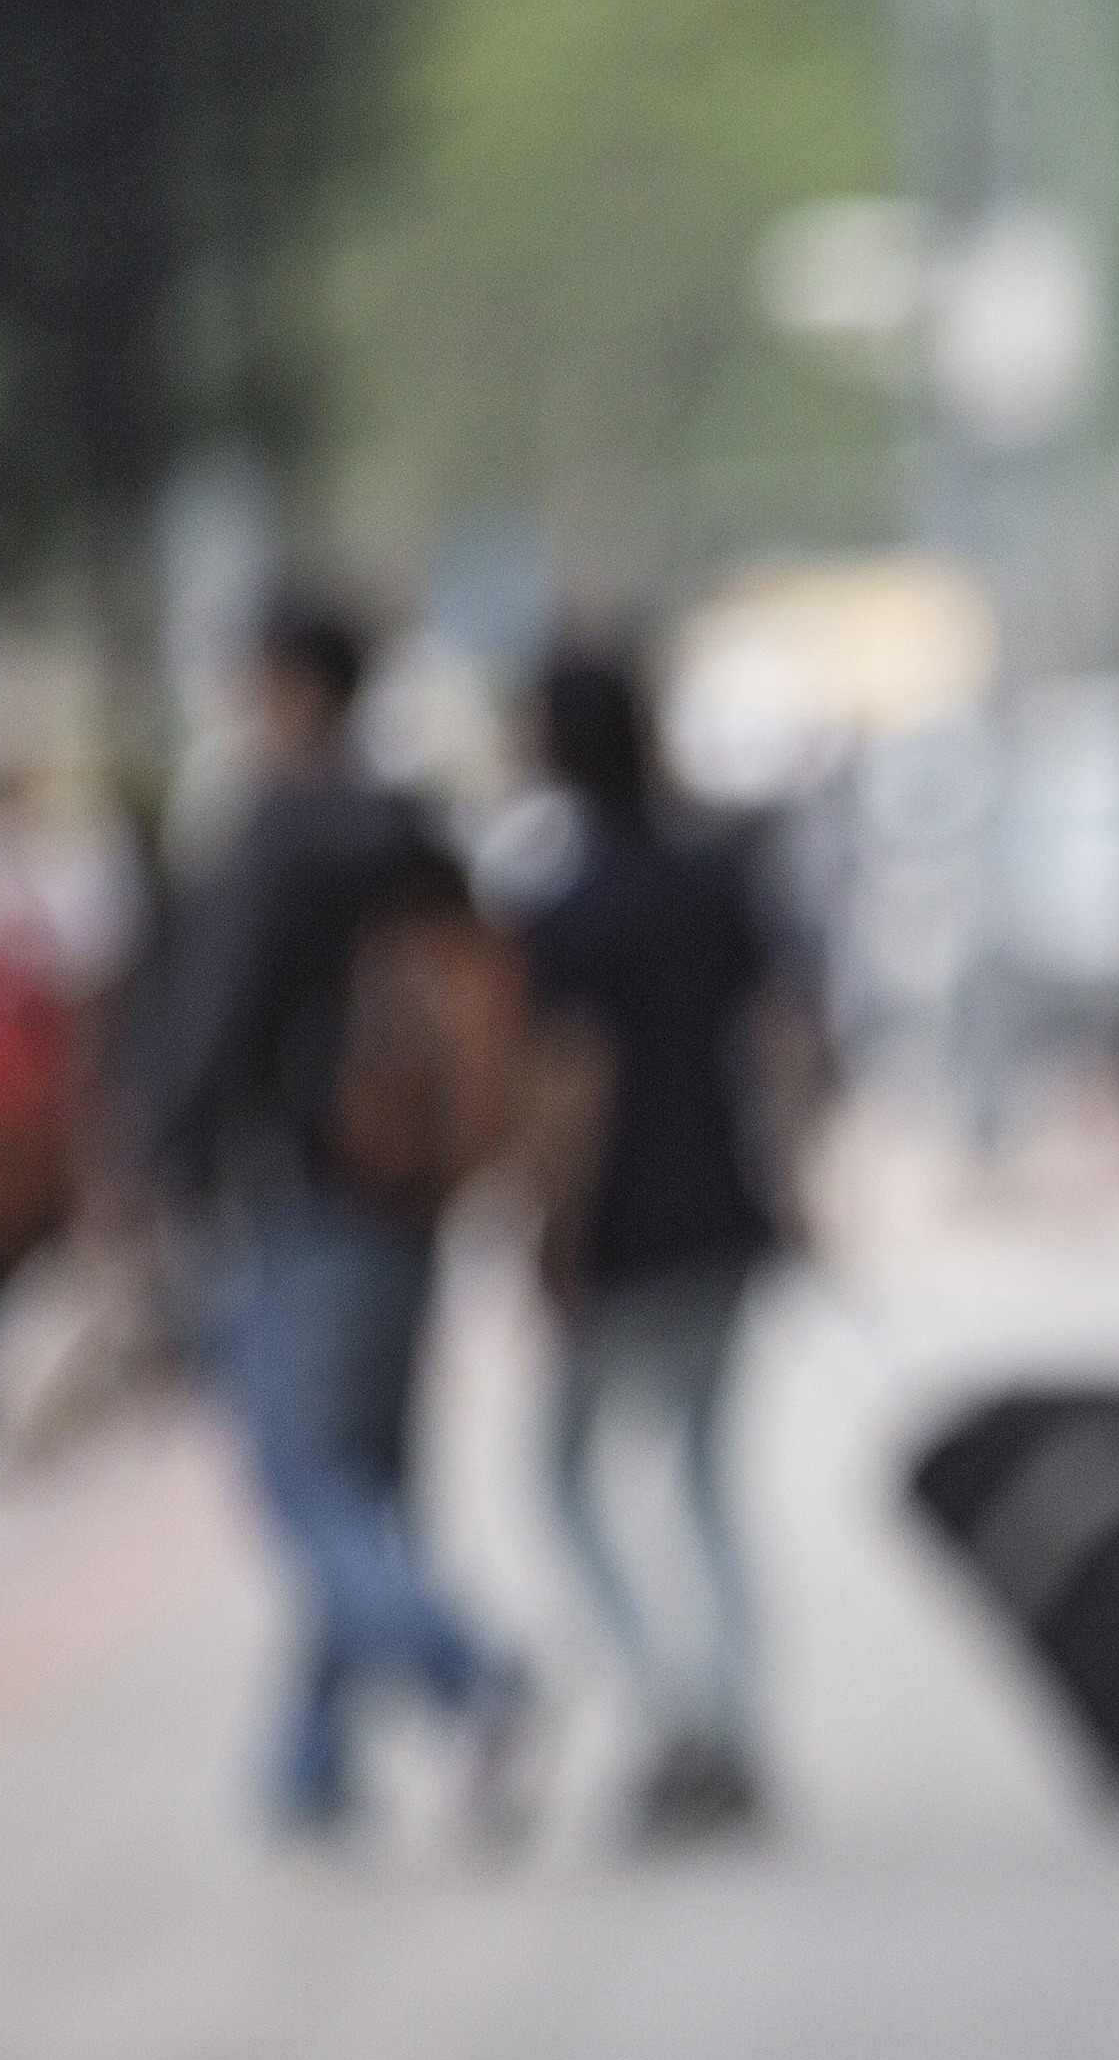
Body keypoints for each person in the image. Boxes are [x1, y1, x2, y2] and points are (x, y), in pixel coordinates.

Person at [145, 593, 534, 1846]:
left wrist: (162, 1157)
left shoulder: (277, 835)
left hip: (301, 1189)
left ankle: (468, 1671)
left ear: (293, 689)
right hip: (413, 1194)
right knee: (367, 1481)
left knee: (303, 1482)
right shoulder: (420, 831)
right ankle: (310, 1765)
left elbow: (216, 1024)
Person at [508, 634, 809, 1844]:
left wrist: (554, 1229)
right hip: (728, 1207)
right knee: (705, 1475)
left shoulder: (569, 904)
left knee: (568, 1473)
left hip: (626, 1221)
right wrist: (793, 1184)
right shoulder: (714, 875)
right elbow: (780, 1042)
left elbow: (574, 1084)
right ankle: (730, 1712)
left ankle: (670, 1706)